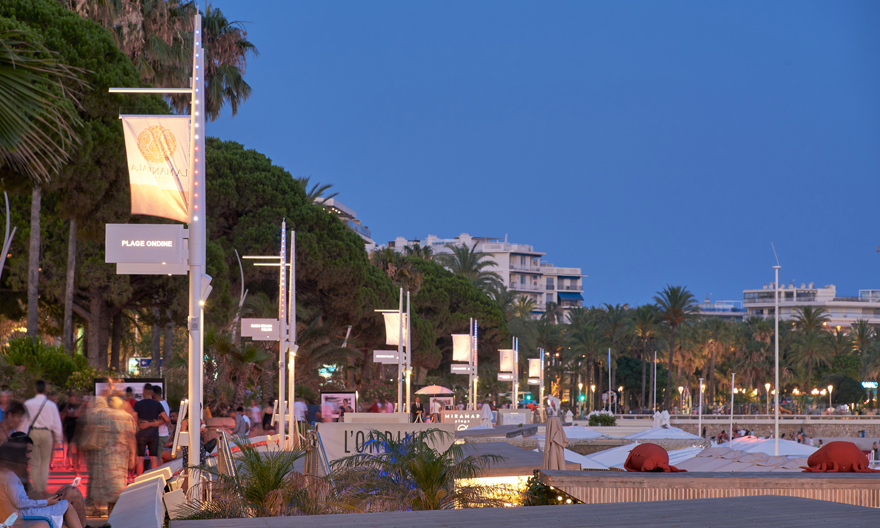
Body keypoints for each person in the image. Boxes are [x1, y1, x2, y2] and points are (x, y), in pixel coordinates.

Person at [0, 441, 102, 528]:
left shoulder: (6, 474)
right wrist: (45, 502)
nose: (28, 459)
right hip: (24, 515)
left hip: (22, 514)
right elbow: (20, 502)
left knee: (65, 522)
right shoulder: (10, 476)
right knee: (66, 505)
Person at [88, 396, 135, 516]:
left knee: (103, 483)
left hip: (104, 455)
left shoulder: (102, 414)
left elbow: (90, 421)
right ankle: (112, 511)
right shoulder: (126, 416)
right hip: (120, 456)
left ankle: (98, 508)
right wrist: (133, 456)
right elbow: (131, 437)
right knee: (117, 486)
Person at [23, 380, 63, 497]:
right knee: (45, 462)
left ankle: (36, 489)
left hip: (33, 433)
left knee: (34, 463)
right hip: (46, 433)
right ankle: (43, 489)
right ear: (45, 389)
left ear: (35, 389)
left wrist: (22, 436)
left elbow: (25, 422)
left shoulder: (28, 403)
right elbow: (57, 423)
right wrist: (58, 438)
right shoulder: (51, 405)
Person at [132, 385, 168, 475]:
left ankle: (139, 480)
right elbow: (166, 419)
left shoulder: (138, 404)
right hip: (154, 434)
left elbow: (133, 419)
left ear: (143, 391)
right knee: (154, 458)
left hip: (140, 434)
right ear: (152, 393)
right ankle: (153, 479)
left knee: (140, 458)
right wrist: (154, 423)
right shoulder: (157, 404)